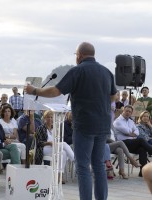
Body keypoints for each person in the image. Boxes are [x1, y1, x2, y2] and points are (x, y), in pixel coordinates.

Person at [25, 42, 117, 200]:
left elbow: (55, 91)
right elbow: (113, 96)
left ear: (79, 55)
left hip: (84, 125)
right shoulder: (106, 72)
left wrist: (35, 90)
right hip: (103, 125)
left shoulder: (78, 71)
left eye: (75, 55)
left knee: (82, 167)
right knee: (99, 166)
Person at [34, 110, 74, 182]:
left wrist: (55, 143)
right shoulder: (41, 128)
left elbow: (58, 140)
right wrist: (49, 143)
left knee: (63, 153)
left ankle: (59, 175)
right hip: (44, 148)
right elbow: (39, 143)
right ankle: (74, 159)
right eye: (48, 117)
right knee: (64, 144)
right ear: (45, 118)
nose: (50, 119)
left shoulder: (55, 128)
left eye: (51, 117)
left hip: (54, 147)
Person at [113, 105, 152, 177]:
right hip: (122, 143)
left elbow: (136, 132)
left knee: (142, 149)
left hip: (131, 144)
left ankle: (142, 172)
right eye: (126, 111)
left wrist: (131, 133)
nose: (128, 113)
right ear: (123, 111)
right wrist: (131, 133)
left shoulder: (131, 121)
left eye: (130, 112)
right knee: (141, 140)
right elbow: (126, 131)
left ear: (131, 113)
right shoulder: (117, 121)